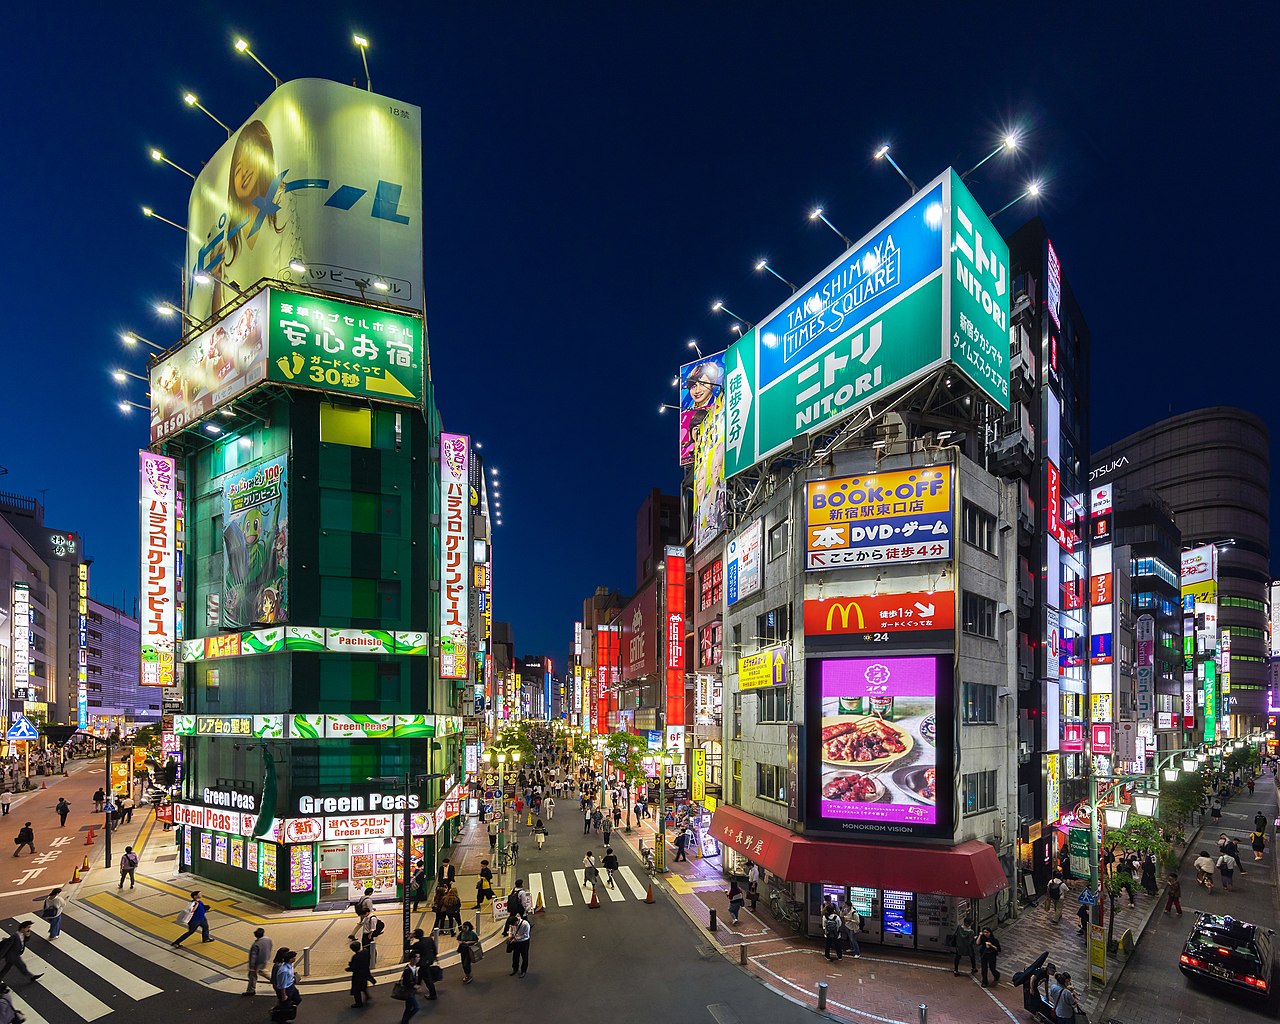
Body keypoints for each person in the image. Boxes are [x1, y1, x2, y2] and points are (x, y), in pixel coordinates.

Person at [406, 928, 438, 1000]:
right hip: (430, 959)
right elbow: (434, 948)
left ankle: (433, 994)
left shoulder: (418, 944)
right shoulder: (429, 939)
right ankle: (418, 985)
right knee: (420, 972)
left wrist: (409, 938)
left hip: (424, 962)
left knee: (427, 978)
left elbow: (406, 947)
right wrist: (435, 956)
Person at [243, 927, 273, 996]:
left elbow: (253, 956)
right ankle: (276, 981)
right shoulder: (268, 939)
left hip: (258, 962)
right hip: (265, 959)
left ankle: (251, 990)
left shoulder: (255, 945)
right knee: (262, 971)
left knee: (253, 975)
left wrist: (252, 966)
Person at [347, 941, 374, 1008]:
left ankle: (358, 1003)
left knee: (356, 990)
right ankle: (367, 996)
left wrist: (349, 968)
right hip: (365, 973)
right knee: (363, 986)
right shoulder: (365, 952)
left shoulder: (355, 957)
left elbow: (354, 967)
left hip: (357, 975)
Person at [398, 952, 423, 1023]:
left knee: (408, 1008)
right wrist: (415, 986)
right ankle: (405, 1020)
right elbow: (406, 982)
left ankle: (404, 1021)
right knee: (416, 1007)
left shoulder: (414, 967)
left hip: (411, 992)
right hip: (409, 992)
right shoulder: (407, 970)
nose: (419, 959)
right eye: (417, 957)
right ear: (412, 959)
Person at [508, 911, 531, 977]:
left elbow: (526, 935)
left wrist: (516, 939)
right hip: (516, 942)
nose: (513, 926)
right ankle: (515, 969)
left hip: (524, 942)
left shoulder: (525, 924)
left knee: (524, 957)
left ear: (517, 921)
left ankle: (523, 971)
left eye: (514, 924)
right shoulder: (513, 924)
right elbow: (511, 929)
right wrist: (510, 936)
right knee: (515, 956)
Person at [457, 920, 480, 984]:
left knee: (466, 963)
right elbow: (458, 939)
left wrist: (469, 942)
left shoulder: (472, 933)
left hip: (469, 949)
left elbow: (476, 940)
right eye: (463, 927)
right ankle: (467, 974)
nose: (464, 929)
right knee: (463, 962)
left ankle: (468, 975)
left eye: (465, 927)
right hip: (463, 949)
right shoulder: (462, 933)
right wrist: (461, 942)